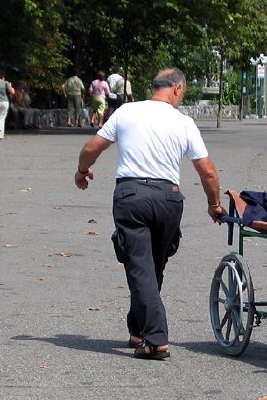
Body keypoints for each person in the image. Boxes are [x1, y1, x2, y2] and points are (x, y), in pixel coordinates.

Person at [74, 68, 227, 360]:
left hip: (131, 196)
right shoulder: (184, 122)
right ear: (178, 89)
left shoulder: (126, 112)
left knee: (141, 266)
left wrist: (82, 171)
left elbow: (92, 147)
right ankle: (139, 329)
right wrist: (214, 203)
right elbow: (206, 170)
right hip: (169, 199)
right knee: (150, 266)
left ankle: (156, 339)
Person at [0, 70, 15, 139]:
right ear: (3, 76)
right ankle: (0, 136)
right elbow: (12, 92)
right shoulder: (6, 83)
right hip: (5, 102)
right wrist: (10, 86)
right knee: (2, 118)